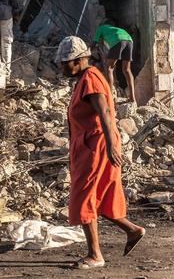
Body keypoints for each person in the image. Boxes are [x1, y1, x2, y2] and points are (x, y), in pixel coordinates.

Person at [55, 36, 145, 270]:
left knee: (83, 198)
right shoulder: (85, 78)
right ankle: (133, 230)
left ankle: (95, 255)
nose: (63, 67)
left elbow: (104, 111)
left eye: (66, 62)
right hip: (92, 145)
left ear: (81, 60)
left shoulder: (91, 79)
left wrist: (111, 145)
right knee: (102, 196)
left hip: (96, 146)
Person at [93, 20, 136, 103]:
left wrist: (86, 53)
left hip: (118, 41)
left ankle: (109, 97)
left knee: (109, 68)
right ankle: (132, 98)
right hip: (129, 40)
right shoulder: (115, 30)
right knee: (127, 70)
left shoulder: (100, 28)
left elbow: (93, 44)